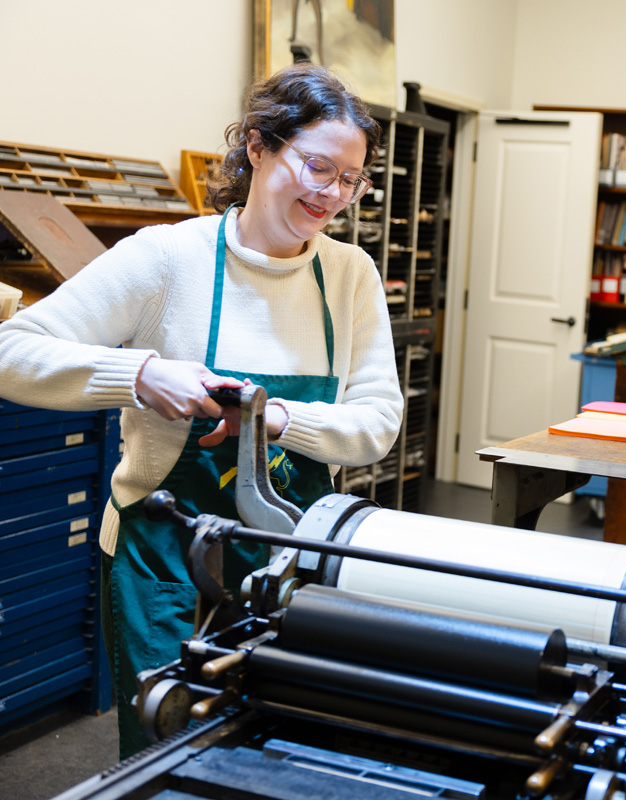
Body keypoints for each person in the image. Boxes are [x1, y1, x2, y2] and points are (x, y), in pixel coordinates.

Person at [0, 63, 403, 758]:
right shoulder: (167, 259)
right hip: (163, 560)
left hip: (290, 560)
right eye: (316, 166)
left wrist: (276, 419)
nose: (330, 193)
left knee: (276, 751)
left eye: (349, 178)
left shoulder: (349, 275)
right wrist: (140, 373)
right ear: (257, 146)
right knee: (171, 746)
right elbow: (12, 350)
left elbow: (376, 425)